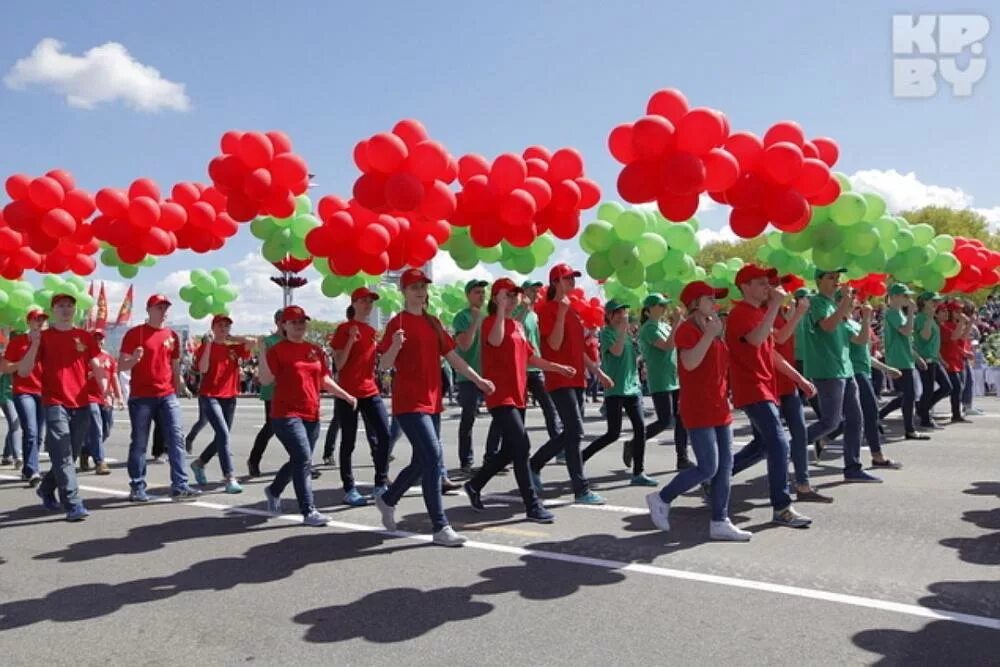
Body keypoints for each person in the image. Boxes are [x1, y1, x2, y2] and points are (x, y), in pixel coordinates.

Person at [373, 268, 495, 547]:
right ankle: (440, 526)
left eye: (423, 286)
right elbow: (384, 366)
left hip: (432, 400)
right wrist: (393, 346)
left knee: (422, 461)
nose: (419, 291)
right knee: (433, 455)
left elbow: (453, 357)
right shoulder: (397, 324)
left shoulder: (433, 322)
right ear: (403, 291)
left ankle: (389, 498)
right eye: (413, 286)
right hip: (409, 401)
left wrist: (478, 380)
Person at [645, 281, 752, 542]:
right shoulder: (686, 330)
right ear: (694, 303)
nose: (715, 303)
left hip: (719, 406)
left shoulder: (713, 328)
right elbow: (690, 363)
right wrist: (709, 335)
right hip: (698, 407)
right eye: (709, 298)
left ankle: (720, 520)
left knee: (725, 466)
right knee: (708, 467)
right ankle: (661, 497)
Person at [464, 278, 577, 522]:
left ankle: (475, 484)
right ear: (496, 298)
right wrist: (502, 310)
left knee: (510, 449)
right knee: (522, 446)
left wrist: (557, 367)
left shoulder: (517, 325)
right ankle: (532, 505)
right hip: (499, 395)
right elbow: (495, 341)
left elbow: (530, 358)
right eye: (508, 294)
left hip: (518, 395)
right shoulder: (489, 323)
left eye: (515, 294)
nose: (514, 297)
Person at [726, 265, 815, 527]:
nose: (768, 287)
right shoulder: (740, 313)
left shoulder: (758, 312)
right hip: (752, 387)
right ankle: (782, 507)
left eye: (768, 283)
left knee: (765, 445)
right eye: (761, 283)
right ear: (745, 287)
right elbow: (755, 340)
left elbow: (771, 352)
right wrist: (776, 306)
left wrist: (799, 379)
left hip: (767, 387)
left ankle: (714, 477)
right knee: (779, 444)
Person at [260, 305, 357, 526]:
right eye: (294, 322)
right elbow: (265, 380)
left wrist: (346, 395)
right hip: (285, 414)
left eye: (302, 321)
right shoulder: (277, 351)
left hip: (311, 413)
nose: (299, 325)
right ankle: (309, 510)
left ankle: (274, 490)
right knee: (303, 459)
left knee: (299, 460)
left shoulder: (315, 351)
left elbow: (324, 379)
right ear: (284, 325)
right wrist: (262, 353)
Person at [528, 263, 613, 506]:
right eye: (566, 278)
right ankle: (580, 489)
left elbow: (579, 351)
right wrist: (562, 314)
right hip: (558, 378)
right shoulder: (547, 310)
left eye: (573, 278)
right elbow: (553, 345)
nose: (572, 282)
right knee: (575, 432)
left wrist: (598, 372)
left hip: (576, 378)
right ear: (555, 282)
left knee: (571, 433)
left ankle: (534, 464)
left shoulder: (573, 311)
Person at [16, 293, 105, 522]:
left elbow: (96, 363)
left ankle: (46, 488)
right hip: (55, 401)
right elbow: (24, 371)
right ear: (54, 310)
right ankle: (73, 503)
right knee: (63, 455)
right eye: (60, 306)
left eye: (69, 305)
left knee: (70, 454)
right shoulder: (43, 337)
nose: (65, 309)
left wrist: (104, 385)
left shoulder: (84, 336)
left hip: (82, 401)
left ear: (75, 310)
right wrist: (34, 343)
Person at [119, 294, 201, 502]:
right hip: (142, 397)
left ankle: (180, 485)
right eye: (158, 307)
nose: (163, 311)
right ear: (149, 310)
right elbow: (121, 365)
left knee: (176, 439)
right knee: (139, 443)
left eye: (165, 307)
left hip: (166, 395)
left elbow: (174, 367)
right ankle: (137, 486)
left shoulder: (172, 335)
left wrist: (179, 387)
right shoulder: (135, 334)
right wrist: (134, 360)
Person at [803, 270, 883, 482]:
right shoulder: (817, 302)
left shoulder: (838, 309)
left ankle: (853, 467)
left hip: (846, 371)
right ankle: (790, 446)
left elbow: (859, 340)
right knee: (831, 422)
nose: (836, 281)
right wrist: (846, 301)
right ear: (819, 280)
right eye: (830, 277)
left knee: (856, 419)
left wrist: (866, 319)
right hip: (827, 371)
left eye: (837, 277)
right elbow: (827, 327)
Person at [581, 300, 657, 486]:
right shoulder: (606, 334)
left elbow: (633, 357)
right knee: (613, 433)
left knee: (640, 429)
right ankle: (581, 457)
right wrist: (623, 331)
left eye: (623, 311)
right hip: (614, 389)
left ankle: (638, 472)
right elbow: (616, 352)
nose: (621, 315)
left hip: (632, 388)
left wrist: (642, 363)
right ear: (608, 315)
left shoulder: (627, 334)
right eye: (617, 312)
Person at [329, 286, 392, 506]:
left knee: (385, 434)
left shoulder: (372, 331)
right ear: (354, 303)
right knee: (349, 442)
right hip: (347, 394)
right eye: (364, 301)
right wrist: (349, 341)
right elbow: (339, 364)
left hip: (370, 391)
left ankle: (381, 482)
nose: (368, 305)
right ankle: (349, 488)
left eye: (370, 302)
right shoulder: (343, 329)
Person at [773, 287, 829, 502]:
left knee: (800, 434)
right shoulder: (765, 314)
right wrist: (797, 316)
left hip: (790, 381)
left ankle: (803, 486)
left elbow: (794, 342)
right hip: (771, 384)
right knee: (763, 445)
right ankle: (718, 477)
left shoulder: (786, 311)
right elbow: (778, 341)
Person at [189, 315, 256, 494]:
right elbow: (202, 369)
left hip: (230, 396)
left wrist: (232, 338)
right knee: (224, 434)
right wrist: (210, 344)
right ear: (213, 327)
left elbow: (253, 342)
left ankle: (199, 463)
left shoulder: (234, 347)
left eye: (227, 326)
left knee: (221, 437)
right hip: (209, 395)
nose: (224, 328)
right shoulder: (204, 347)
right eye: (220, 325)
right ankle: (229, 477)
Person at [637, 294, 691, 470]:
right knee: (665, 420)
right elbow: (667, 346)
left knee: (682, 419)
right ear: (649, 309)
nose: (664, 308)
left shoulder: (664, 325)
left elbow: (677, 343)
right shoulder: (648, 328)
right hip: (660, 379)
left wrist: (680, 323)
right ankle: (636, 442)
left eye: (665, 305)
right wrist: (676, 323)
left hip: (674, 377)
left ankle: (682, 458)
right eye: (660, 305)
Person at [845, 304, 902, 469]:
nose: (856, 306)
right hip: (854, 372)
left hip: (865, 371)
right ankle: (877, 456)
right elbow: (861, 340)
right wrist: (867, 319)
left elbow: (866, 355)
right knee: (869, 413)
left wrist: (886, 369)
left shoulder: (855, 323)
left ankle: (824, 438)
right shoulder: (843, 324)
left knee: (858, 416)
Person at [878, 284, 930, 440]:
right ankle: (909, 429)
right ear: (894, 297)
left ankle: (877, 416)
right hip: (898, 360)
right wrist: (912, 314)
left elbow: (906, 339)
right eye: (904, 296)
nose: (908, 298)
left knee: (908, 395)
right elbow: (906, 331)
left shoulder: (899, 313)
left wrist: (916, 357)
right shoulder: (892, 313)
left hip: (905, 359)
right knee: (909, 395)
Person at [2, 309, 47, 486]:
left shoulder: (49, 342)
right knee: (31, 430)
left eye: (43, 319)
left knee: (39, 436)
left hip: (44, 392)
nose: (40, 322)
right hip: (23, 391)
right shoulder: (18, 342)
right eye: (36, 319)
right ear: (29, 322)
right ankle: (33, 471)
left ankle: (28, 469)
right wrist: (22, 364)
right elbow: (5, 368)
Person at [452, 278, 489, 474]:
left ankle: (492, 457)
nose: (481, 296)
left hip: (488, 376)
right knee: (468, 418)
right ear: (468, 295)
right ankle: (466, 460)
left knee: (502, 416)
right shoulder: (462, 317)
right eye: (476, 292)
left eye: (483, 292)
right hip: (468, 377)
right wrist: (475, 321)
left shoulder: (489, 316)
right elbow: (464, 344)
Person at [79, 329, 122, 475]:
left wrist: (119, 396)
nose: (98, 341)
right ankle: (100, 462)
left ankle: (85, 451)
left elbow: (114, 377)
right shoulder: (84, 357)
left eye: (100, 338)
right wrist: (90, 374)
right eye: (95, 338)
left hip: (105, 397)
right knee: (96, 428)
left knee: (106, 429)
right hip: (89, 397)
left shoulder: (108, 358)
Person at [247, 310, 284, 477]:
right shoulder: (269, 342)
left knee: (296, 428)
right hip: (272, 390)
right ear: (277, 322)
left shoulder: (293, 340)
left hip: (290, 390)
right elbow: (265, 366)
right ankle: (254, 460)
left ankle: (302, 462)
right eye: (284, 321)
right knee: (271, 427)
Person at [914, 292, 951, 429]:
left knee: (947, 387)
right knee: (928, 390)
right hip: (926, 359)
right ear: (924, 302)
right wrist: (930, 318)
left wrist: (941, 359)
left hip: (934, 359)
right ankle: (924, 418)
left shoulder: (932, 319)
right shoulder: (920, 318)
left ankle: (922, 408)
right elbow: (924, 337)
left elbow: (935, 343)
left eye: (937, 301)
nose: (936, 303)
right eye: (932, 301)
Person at [939, 302, 971, 423]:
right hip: (947, 360)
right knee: (955, 387)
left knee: (958, 388)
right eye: (957, 311)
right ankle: (955, 414)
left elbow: (963, 338)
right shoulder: (945, 325)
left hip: (956, 360)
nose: (960, 313)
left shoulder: (955, 324)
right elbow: (954, 337)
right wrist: (963, 322)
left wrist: (969, 323)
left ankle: (956, 413)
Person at [1, 346, 21, 470]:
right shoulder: (3, 359)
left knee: (14, 424)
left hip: (15, 395)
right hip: (5, 396)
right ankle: (16, 456)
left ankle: (7, 455)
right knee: (15, 424)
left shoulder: (19, 358)